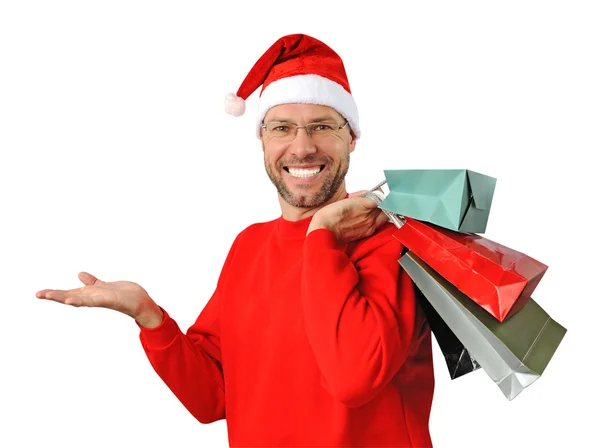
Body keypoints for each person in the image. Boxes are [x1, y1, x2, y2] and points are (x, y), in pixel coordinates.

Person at [35, 34, 434, 447]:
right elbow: (214, 397)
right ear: (262, 139)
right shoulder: (249, 246)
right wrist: (149, 316)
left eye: (322, 126)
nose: (302, 146)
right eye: (283, 127)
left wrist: (321, 237)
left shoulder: (390, 240)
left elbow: (354, 378)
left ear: (351, 138)